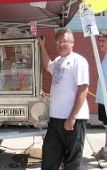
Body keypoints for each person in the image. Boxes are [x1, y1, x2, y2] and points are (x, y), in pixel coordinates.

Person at [39, 28, 89, 170]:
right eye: (57, 42)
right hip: (55, 120)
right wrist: (42, 45)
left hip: (73, 121)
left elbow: (83, 89)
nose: (60, 45)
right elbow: (47, 65)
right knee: (49, 157)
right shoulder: (58, 61)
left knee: (71, 163)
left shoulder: (79, 61)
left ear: (72, 43)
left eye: (64, 41)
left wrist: (72, 117)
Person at [93, 30, 107, 159]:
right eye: (99, 40)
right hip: (104, 99)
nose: (100, 43)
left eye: (103, 41)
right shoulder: (105, 57)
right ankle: (106, 150)